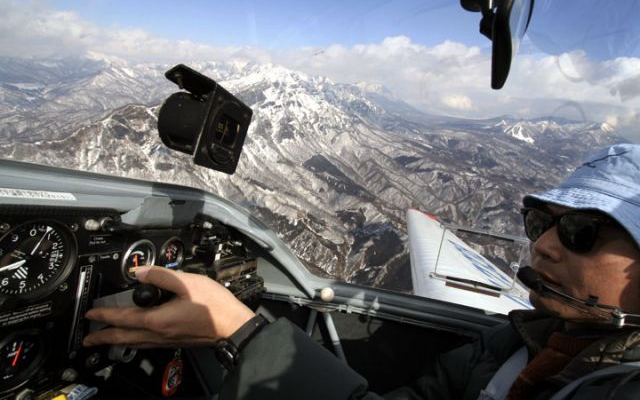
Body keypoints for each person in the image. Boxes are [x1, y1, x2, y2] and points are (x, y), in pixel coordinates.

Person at [83, 143, 640, 399]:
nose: (540, 245)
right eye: (539, 219)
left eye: (580, 232)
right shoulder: (513, 344)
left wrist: (242, 332)